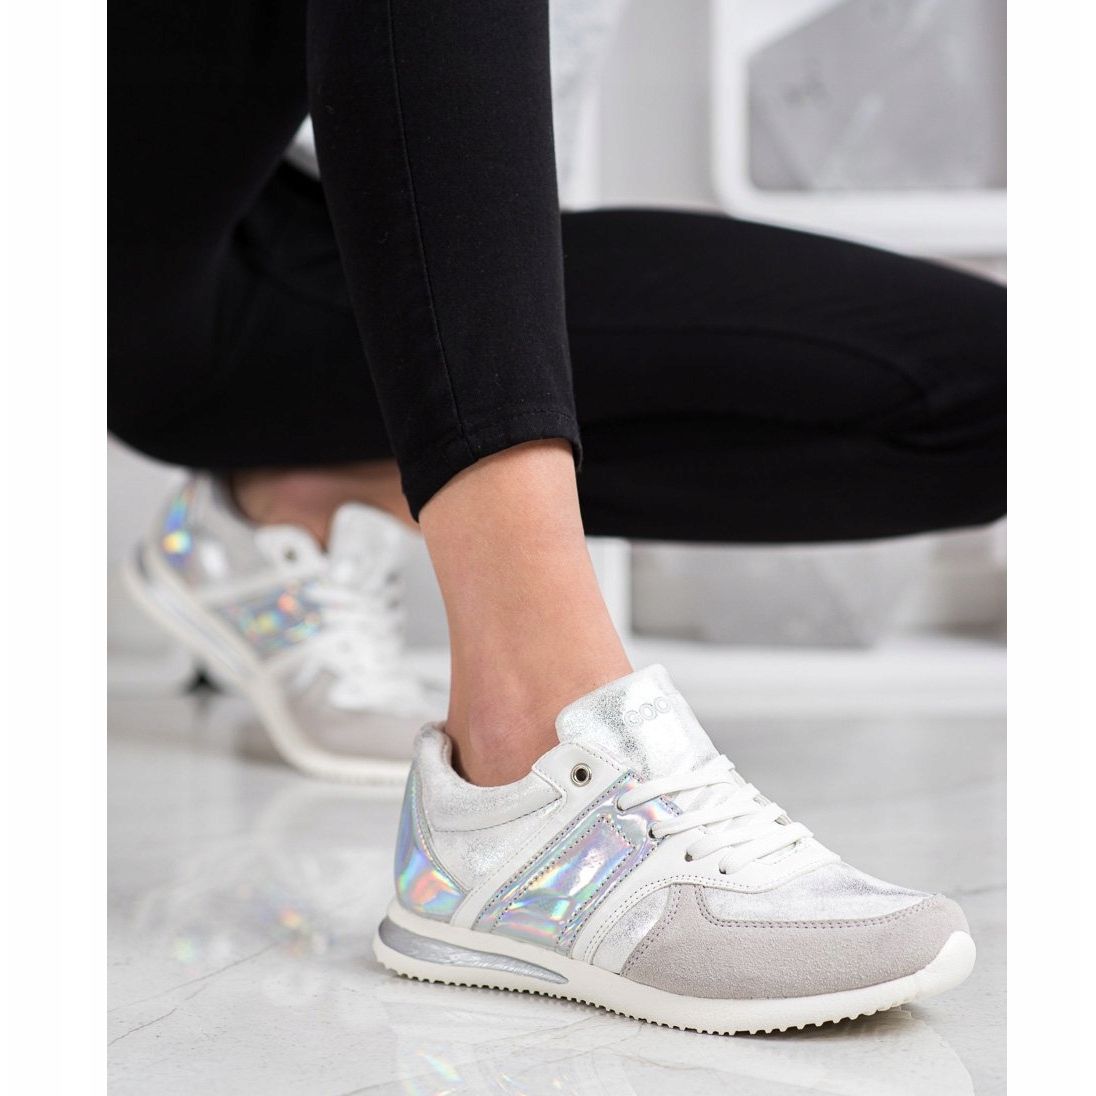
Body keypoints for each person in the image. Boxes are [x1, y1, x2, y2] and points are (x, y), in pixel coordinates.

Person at [110, 1, 1001, 1032]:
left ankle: (297, 488)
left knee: (1000, 396)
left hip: (352, 241)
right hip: (124, 223)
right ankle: (527, 740)